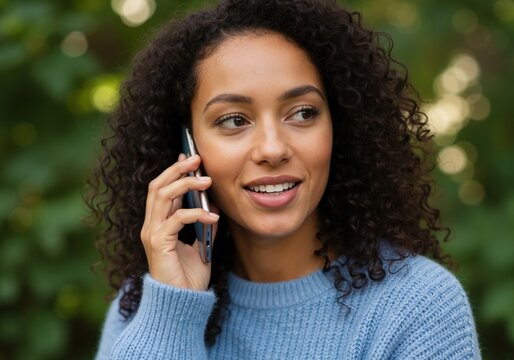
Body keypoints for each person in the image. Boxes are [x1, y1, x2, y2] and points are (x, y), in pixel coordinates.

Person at [88, 0, 481, 358]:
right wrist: (174, 310)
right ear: (186, 147)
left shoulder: (419, 306)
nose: (273, 149)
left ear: (339, 126)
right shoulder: (146, 308)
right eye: (234, 120)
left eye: (303, 113)